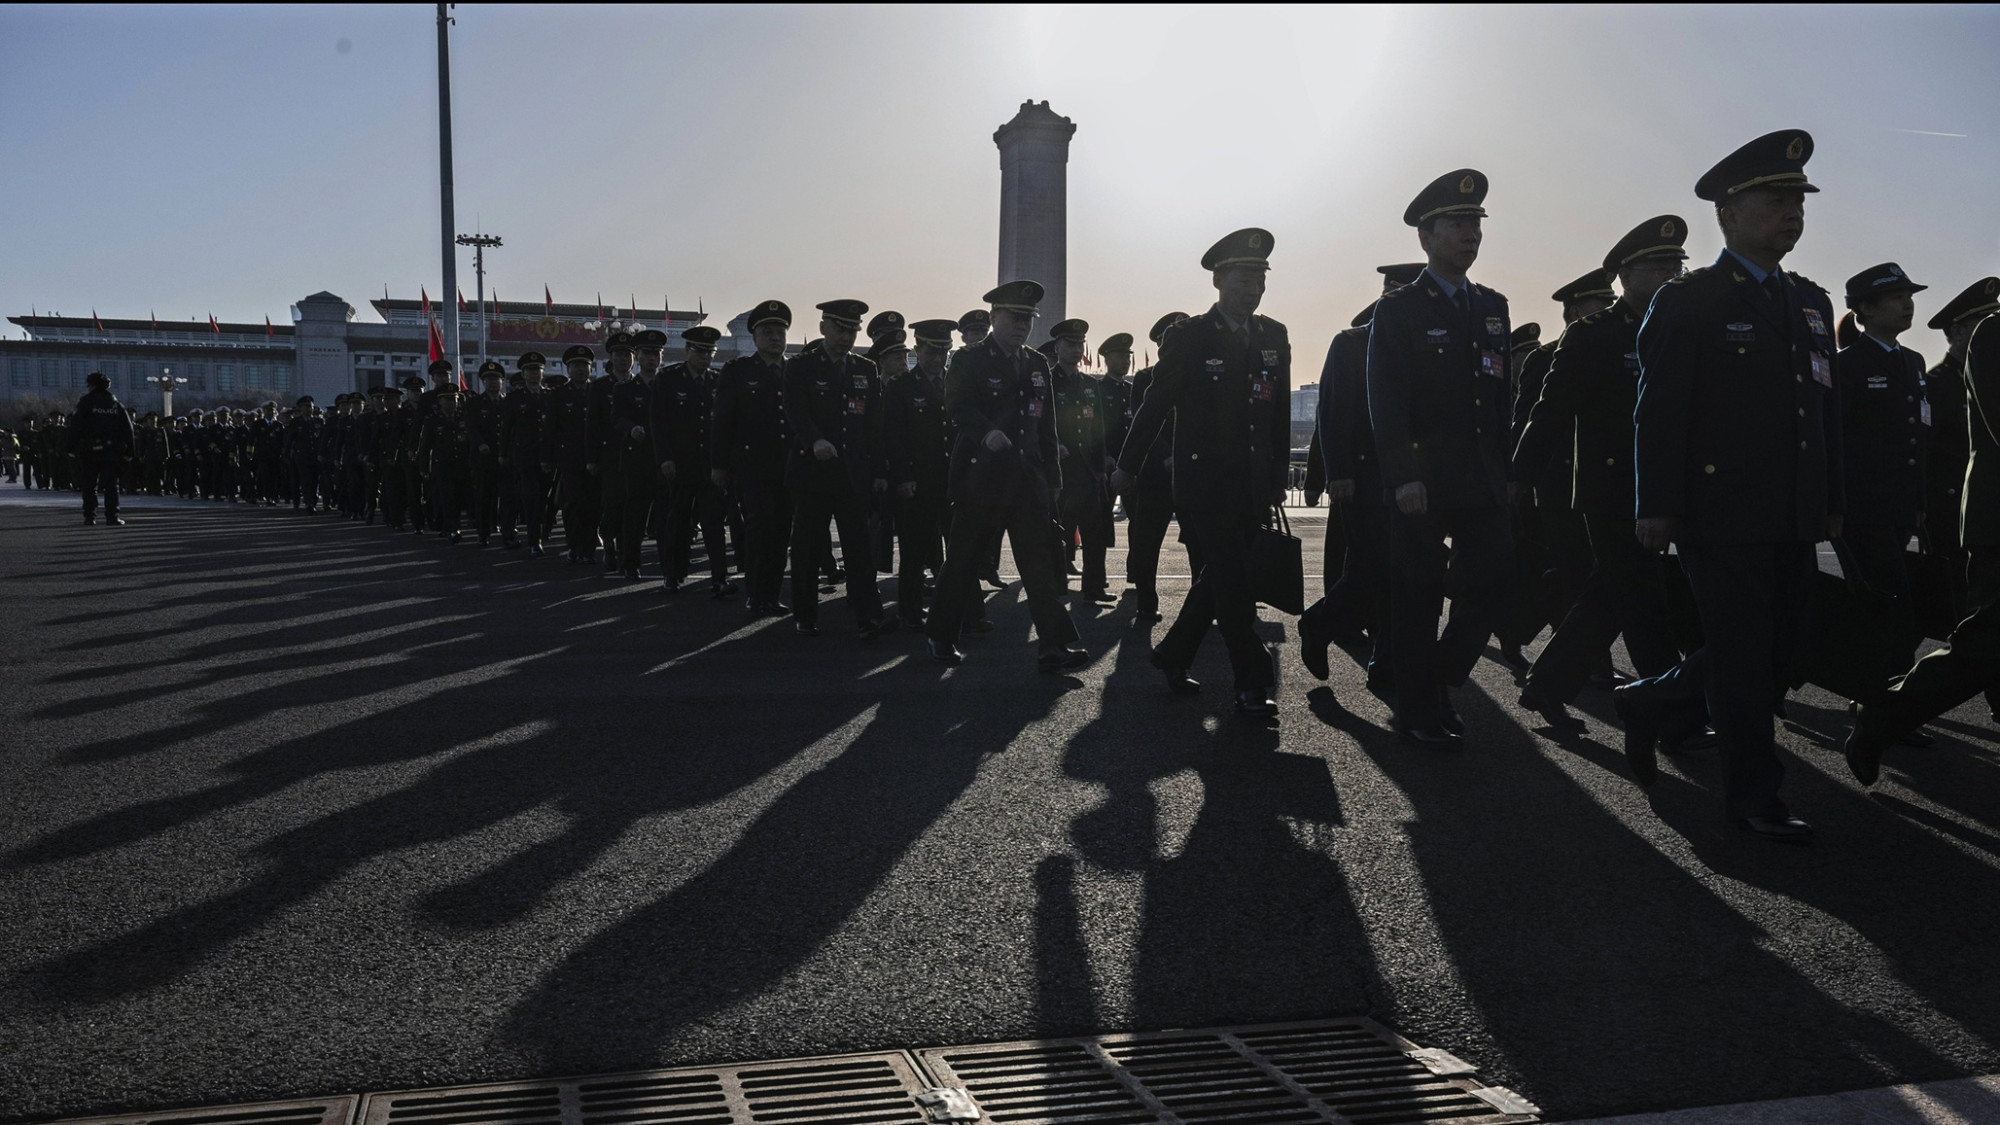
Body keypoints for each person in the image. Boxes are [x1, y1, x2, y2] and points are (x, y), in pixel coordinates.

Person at [1629, 129, 1840, 842]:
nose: (1792, 212)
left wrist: (1827, 498)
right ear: (1729, 213)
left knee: (1780, 650)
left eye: (1797, 201)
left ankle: (1651, 701)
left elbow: (1820, 413)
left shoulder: (1809, 303)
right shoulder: (1692, 300)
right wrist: (1656, 505)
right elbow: (1658, 411)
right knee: (1746, 658)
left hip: (1790, 510)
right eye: (1776, 200)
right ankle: (1754, 799)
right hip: (1718, 513)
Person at [1513, 216, 1691, 729]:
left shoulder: (1679, 328)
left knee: (1609, 595)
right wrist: (1520, 479)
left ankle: (1546, 686)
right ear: (1625, 277)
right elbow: (1549, 412)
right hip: (1612, 489)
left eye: (1677, 265)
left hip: (1667, 485)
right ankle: (1671, 716)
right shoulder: (1593, 336)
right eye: (1659, 266)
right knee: (1644, 604)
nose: (1671, 275)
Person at [1115, 228, 1292, 716]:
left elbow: (1276, 414)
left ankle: (1173, 653)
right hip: (1204, 483)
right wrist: (1128, 465)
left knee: (1219, 577)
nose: (1252, 288)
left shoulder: (1274, 336)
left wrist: (1278, 473)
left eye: (1259, 278)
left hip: (1253, 482)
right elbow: (1156, 404)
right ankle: (1252, 680)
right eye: (1243, 278)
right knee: (1234, 580)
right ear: (1218, 280)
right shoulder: (1190, 336)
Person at [1366, 170, 1514, 745]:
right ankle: (1419, 710)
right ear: (1426, 237)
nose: (1469, 234)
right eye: (1456, 224)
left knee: (1495, 581)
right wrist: (1402, 475)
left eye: (1475, 224)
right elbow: (1388, 400)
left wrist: (1508, 472)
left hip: (1481, 477)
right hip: (1422, 482)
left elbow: (1500, 398)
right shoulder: (1401, 310)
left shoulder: (1493, 307)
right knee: (1417, 596)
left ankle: (1440, 676)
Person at [927, 280, 1087, 671]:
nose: (1021, 326)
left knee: (1039, 565)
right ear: (995, 316)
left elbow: (1046, 426)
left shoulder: (1035, 364)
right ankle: (941, 634)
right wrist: (986, 431)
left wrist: (1053, 479)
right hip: (980, 480)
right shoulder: (968, 360)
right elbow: (957, 405)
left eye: (1027, 319)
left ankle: (1053, 644)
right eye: (1014, 318)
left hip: (1026, 482)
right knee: (963, 561)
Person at [1298, 264, 1425, 684]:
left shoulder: (1426, 342)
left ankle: (1386, 662)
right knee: (1371, 568)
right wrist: (1336, 473)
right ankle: (1320, 623)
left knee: (1405, 572)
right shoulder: (1352, 343)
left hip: (1414, 477)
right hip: (1364, 477)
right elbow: (1332, 413)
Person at [783, 299, 892, 638]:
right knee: (808, 546)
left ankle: (868, 615)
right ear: (823, 328)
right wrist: (814, 440)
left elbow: (873, 425)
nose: (846, 337)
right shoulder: (800, 367)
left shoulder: (864, 368)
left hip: (851, 473)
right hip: (813, 472)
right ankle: (805, 613)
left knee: (858, 548)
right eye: (840, 329)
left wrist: (879, 471)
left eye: (852, 330)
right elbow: (795, 411)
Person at [714, 301, 795, 616]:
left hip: (788, 467)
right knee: (758, 531)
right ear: (755, 337)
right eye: (768, 332)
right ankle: (756, 593)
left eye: (780, 332)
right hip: (753, 467)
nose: (775, 338)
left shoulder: (794, 371)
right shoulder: (738, 371)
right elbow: (723, 421)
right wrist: (719, 465)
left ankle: (772, 595)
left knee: (781, 533)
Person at [884, 319, 958, 630]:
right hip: (917, 482)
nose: (938, 358)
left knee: (956, 552)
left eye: (943, 351)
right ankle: (910, 612)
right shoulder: (901, 388)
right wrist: (902, 477)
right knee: (914, 554)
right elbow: (894, 439)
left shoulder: (954, 384)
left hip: (951, 482)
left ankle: (957, 611)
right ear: (917, 349)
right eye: (931, 351)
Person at [653, 326, 736, 596]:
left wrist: (723, 463)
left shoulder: (718, 380)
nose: (705, 357)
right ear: (688, 351)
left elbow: (725, 425)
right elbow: (659, 423)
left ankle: (720, 577)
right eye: (700, 352)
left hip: (709, 466)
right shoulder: (668, 379)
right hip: (679, 464)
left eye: (710, 352)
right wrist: (665, 458)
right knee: (677, 522)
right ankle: (672, 574)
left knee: (713, 525)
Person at [1122, 312, 1190, 622]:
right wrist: (1167, 455)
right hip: (1155, 472)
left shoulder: (1202, 374)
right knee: (1147, 540)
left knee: (1200, 543)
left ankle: (1201, 606)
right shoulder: (1145, 378)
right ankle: (1146, 602)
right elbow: (1145, 420)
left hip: (1192, 472)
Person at [1048, 318, 1113, 602]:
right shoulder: (1048, 381)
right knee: (1058, 531)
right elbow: (1041, 421)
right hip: (1061, 470)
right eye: (1069, 344)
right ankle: (1056, 585)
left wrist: (1101, 469)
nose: (1075, 349)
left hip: (1088, 471)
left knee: (1094, 533)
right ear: (1058, 347)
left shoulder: (1089, 383)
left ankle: (1094, 586)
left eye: (1079, 344)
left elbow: (1097, 427)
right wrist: (1053, 449)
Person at [547, 345, 599, 562]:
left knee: (594, 505)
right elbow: (550, 430)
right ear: (568, 369)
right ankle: (575, 546)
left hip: (595, 459)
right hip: (570, 459)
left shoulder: (597, 391)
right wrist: (547, 458)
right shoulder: (558, 395)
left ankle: (588, 548)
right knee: (573, 504)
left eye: (585, 365)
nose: (581, 369)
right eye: (576, 365)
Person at [500, 352, 553, 555]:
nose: (533, 374)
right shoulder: (515, 399)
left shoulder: (550, 396)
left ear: (543, 372)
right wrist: (503, 453)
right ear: (523, 374)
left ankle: (540, 533)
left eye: (537, 370)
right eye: (529, 370)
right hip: (525, 456)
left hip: (547, 456)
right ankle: (534, 541)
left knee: (544, 500)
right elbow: (506, 428)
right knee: (531, 498)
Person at [67, 371, 135, 526]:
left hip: (90, 450)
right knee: (112, 485)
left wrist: (70, 447)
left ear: (92, 386)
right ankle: (113, 516)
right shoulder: (116, 404)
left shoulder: (86, 402)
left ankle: (90, 516)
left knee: (89, 484)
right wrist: (130, 451)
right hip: (112, 451)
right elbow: (128, 429)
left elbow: (75, 426)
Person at [467, 360, 510, 547]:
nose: (493, 383)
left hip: (505, 457)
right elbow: (471, 427)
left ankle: (508, 533)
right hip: (484, 458)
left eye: (496, 379)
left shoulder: (508, 402)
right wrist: (480, 444)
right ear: (483, 382)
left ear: (502, 382)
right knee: (484, 497)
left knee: (507, 498)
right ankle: (483, 533)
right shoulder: (475, 403)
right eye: (489, 379)